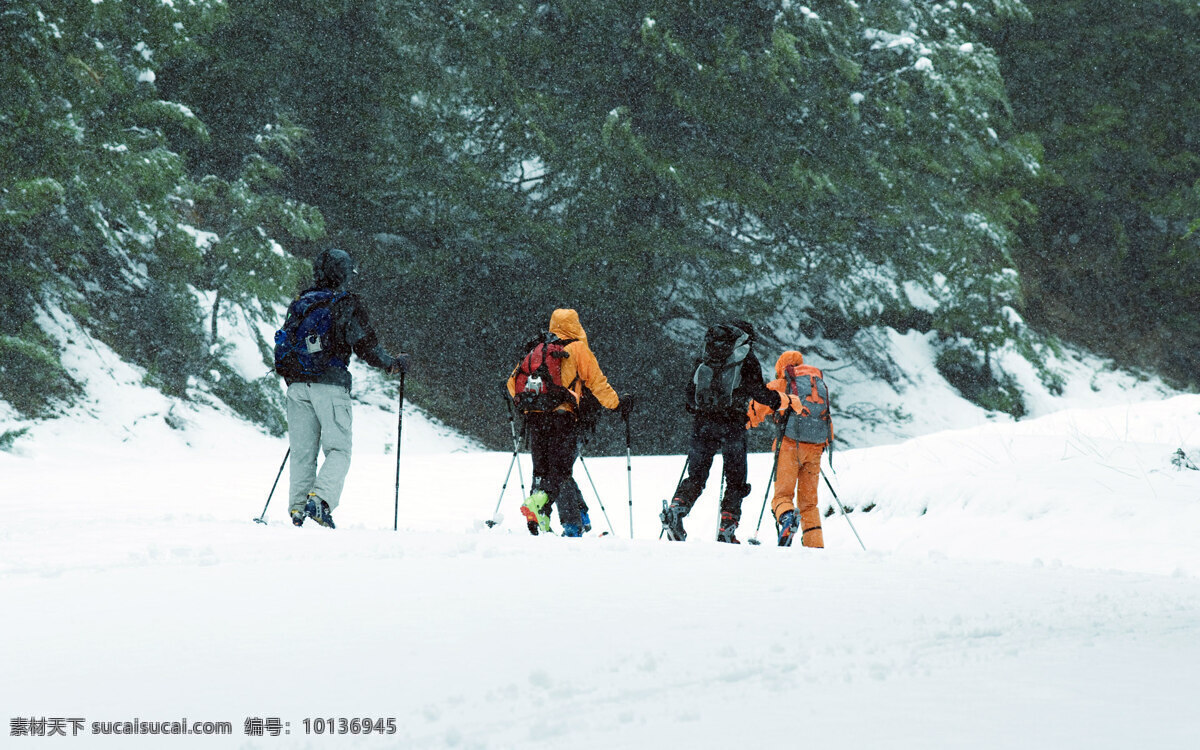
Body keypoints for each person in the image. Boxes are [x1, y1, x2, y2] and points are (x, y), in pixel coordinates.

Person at [280, 248, 407, 529]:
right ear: (344, 274)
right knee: (338, 450)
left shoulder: (300, 303)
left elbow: (286, 345)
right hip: (331, 385)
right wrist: (392, 363)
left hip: (298, 387)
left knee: (303, 452)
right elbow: (365, 345)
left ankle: (299, 510)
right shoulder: (345, 304)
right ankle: (320, 501)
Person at [506, 308, 624, 537]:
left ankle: (541, 519)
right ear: (576, 324)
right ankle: (540, 503)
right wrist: (616, 403)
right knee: (560, 469)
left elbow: (513, 384)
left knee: (541, 469)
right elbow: (598, 383)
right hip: (562, 417)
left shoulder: (538, 348)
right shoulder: (578, 349)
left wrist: (534, 403)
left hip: (535, 416)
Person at [661, 321, 782, 543]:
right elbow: (758, 392)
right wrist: (779, 401)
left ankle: (677, 508)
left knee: (696, 476)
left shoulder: (706, 355)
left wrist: (704, 408)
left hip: (702, 424)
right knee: (736, 480)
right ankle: (727, 525)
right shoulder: (746, 358)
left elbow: (690, 396)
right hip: (733, 425)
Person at [748, 350, 832, 547]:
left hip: (788, 447)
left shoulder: (782, 383)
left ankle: (787, 518)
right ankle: (815, 545)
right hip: (815, 449)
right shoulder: (816, 384)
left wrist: (742, 424)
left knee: (783, 496)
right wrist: (822, 446)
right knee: (809, 504)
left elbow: (756, 409)